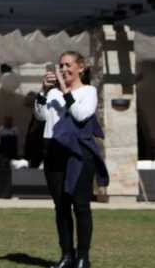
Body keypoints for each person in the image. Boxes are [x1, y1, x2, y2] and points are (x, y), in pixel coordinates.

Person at [35, 51, 108, 268]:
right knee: (61, 207)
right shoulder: (53, 93)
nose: (63, 69)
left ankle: (83, 258)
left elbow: (80, 114)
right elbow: (40, 115)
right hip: (53, 151)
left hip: (78, 153)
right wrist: (43, 90)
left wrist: (65, 91)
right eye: (61, 65)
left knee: (81, 206)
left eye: (68, 65)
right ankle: (67, 256)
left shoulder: (89, 91)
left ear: (80, 68)